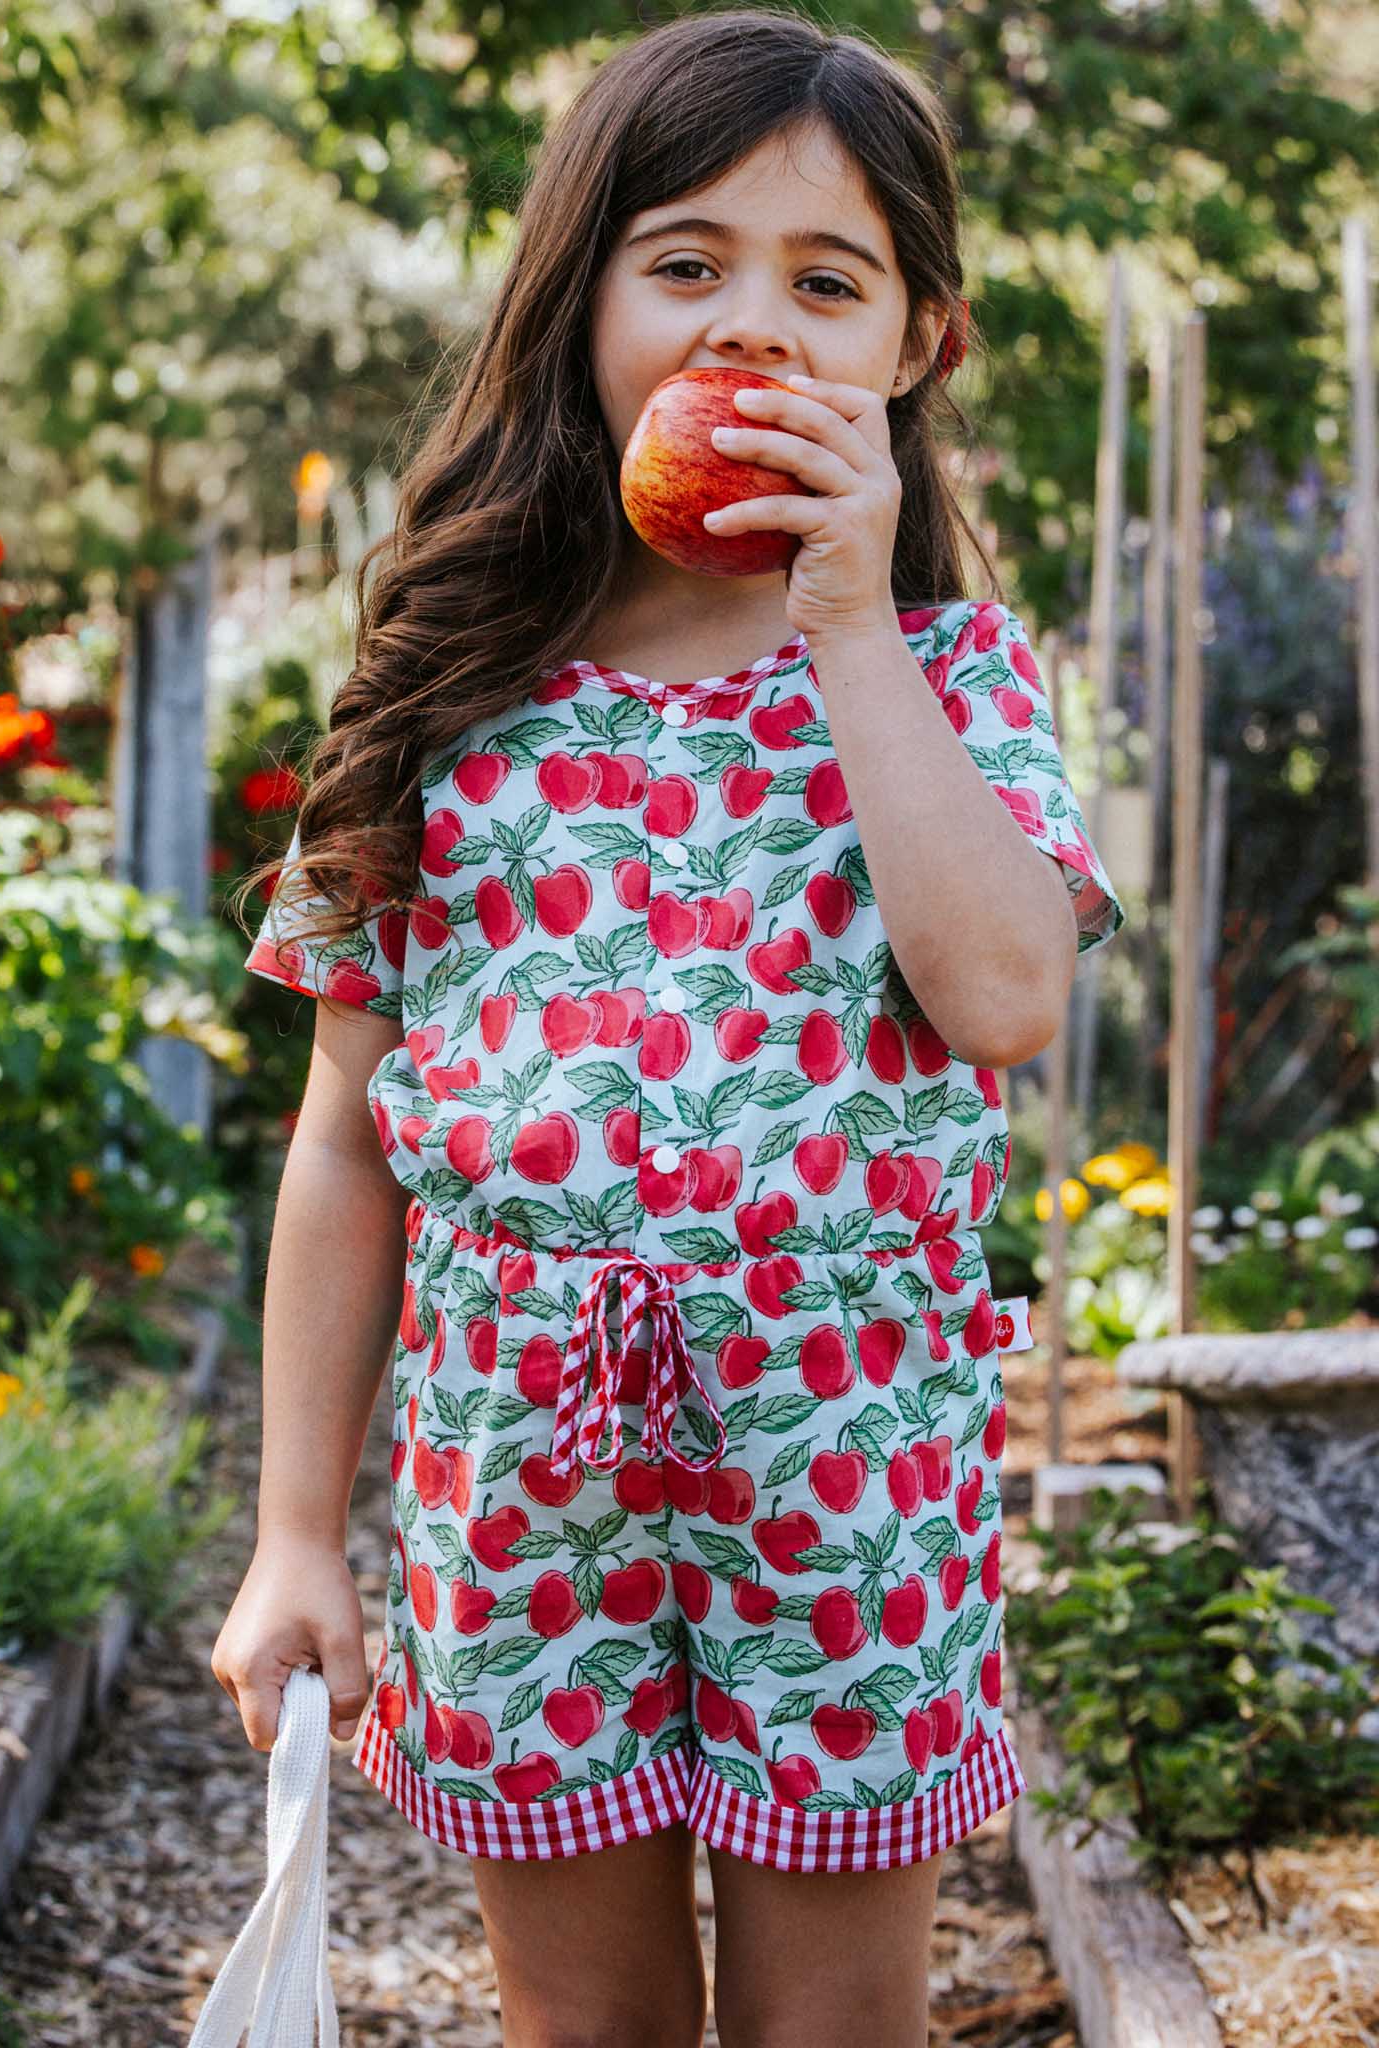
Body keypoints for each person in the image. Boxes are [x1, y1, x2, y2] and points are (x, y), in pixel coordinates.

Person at [211, 11, 1125, 2045]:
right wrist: (295, 1532)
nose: (756, 330)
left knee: (830, 2028)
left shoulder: (950, 677)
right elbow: (347, 1134)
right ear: (583, 301)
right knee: (582, 2020)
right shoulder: (452, 685)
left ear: (920, 347)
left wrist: (851, 622)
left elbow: (1005, 996)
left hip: (850, 1477)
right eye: (688, 263)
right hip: (525, 1483)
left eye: (830, 281)